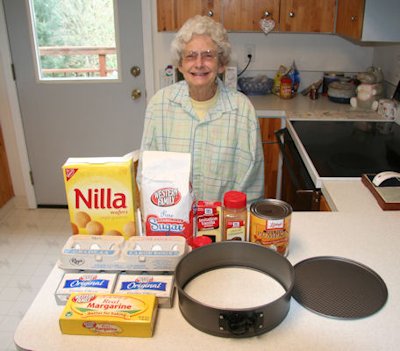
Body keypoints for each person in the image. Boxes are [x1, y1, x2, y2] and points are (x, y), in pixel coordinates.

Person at [140, 15, 264, 203]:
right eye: (190, 56)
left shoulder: (242, 110)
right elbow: (146, 174)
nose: (199, 64)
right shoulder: (159, 105)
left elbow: (251, 186)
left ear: (221, 64)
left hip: (225, 224)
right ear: (180, 65)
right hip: (172, 222)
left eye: (208, 55)